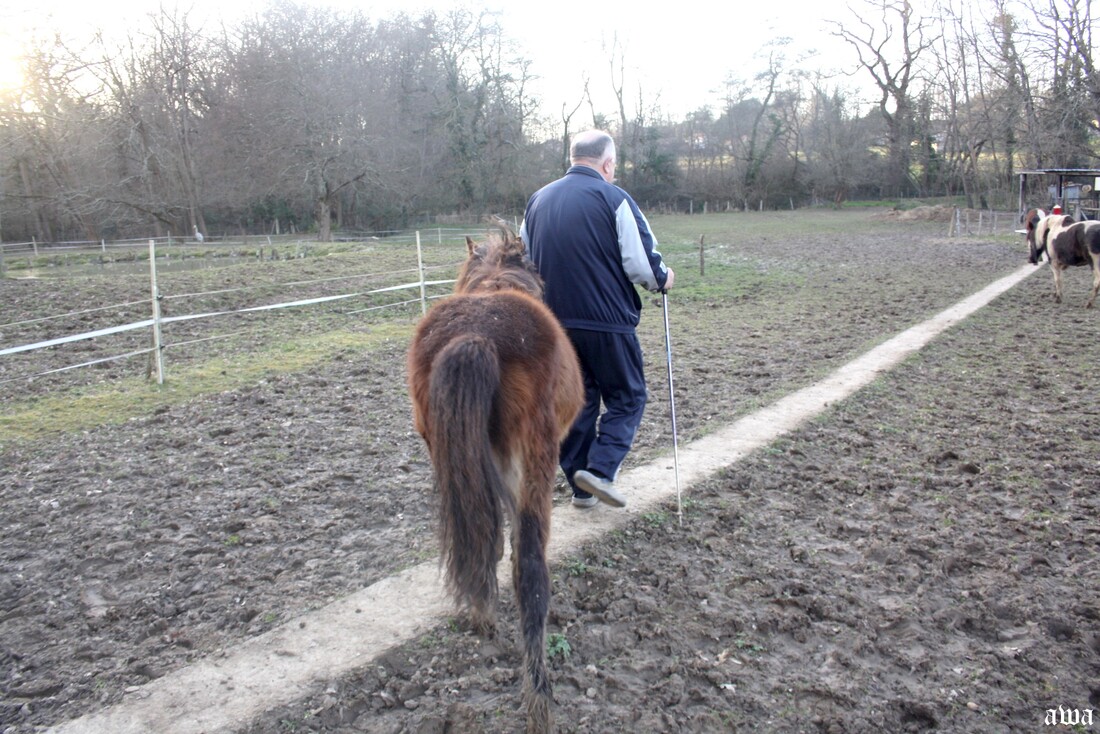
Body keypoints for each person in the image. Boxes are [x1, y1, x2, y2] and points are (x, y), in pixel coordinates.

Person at [520, 129, 675, 509]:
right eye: (614, 167)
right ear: (607, 164)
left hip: (554, 325)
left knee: (578, 402)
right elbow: (641, 262)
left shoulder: (537, 201)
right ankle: (602, 472)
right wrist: (664, 278)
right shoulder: (614, 197)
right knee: (628, 395)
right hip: (607, 322)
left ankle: (579, 486)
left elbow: (524, 261)